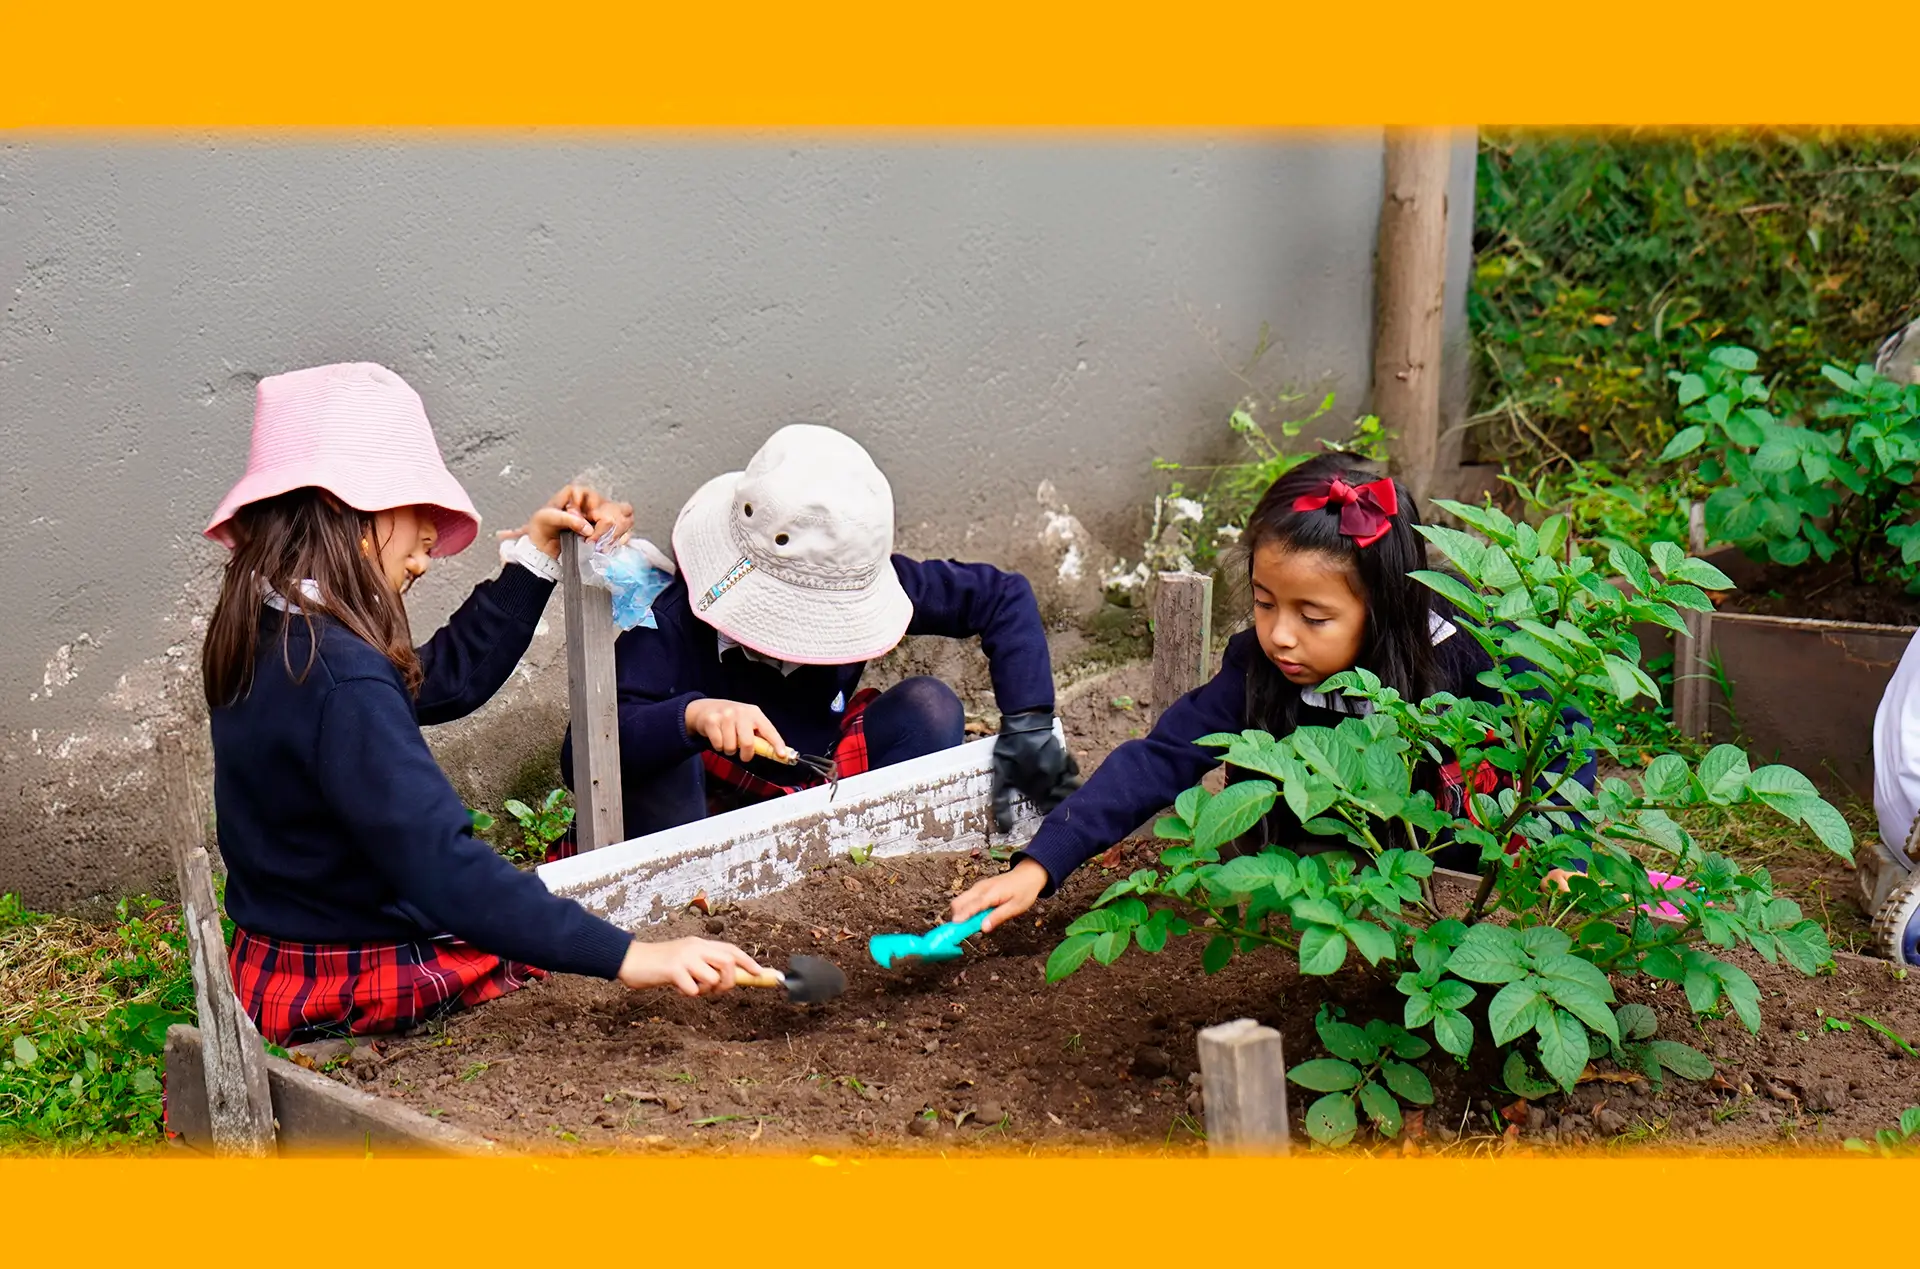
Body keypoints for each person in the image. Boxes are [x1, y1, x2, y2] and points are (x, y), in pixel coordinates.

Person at [199, 361, 762, 1046]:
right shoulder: (344, 680)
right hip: (356, 969)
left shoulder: (269, 628)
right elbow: (445, 871)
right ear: (356, 515)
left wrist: (531, 562)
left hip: (282, 955)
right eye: (419, 536)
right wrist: (635, 956)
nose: (422, 562)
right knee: (531, 936)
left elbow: (436, 682)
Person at [951, 453, 1598, 931]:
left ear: (1387, 608)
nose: (1280, 635)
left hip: (1445, 868)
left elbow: (1562, 729)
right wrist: (1040, 863)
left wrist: (1562, 843)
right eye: (1264, 602)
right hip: (1303, 868)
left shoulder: (1467, 655)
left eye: (1313, 617)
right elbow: (1162, 755)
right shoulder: (1261, 665)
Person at [557, 423, 1080, 848]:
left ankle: (896, 858)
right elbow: (582, 753)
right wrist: (692, 716)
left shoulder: (842, 570)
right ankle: (688, 909)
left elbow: (1002, 595)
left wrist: (1030, 727)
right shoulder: (671, 622)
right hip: (695, 817)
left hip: (810, 785)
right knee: (663, 762)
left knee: (931, 706)